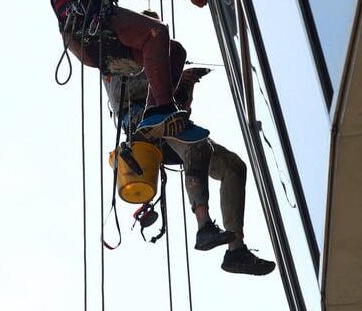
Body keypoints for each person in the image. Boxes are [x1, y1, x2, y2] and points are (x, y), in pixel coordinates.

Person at [105, 60, 276, 276]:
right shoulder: (117, 52)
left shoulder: (157, 50)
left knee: (233, 167)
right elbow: (121, 92)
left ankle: (236, 251)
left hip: (169, 121)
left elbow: (181, 106)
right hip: (144, 126)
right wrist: (172, 80)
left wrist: (185, 85)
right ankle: (203, 226)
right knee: (197, 146)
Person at [51, 0, 208, 141]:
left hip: (93, 37)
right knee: (156, 33)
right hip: (87, 24)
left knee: (174, 52)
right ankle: (163, 109)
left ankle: (153, 116)